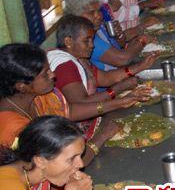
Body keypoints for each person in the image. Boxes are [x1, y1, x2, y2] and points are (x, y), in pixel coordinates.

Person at [0, 44, 129, 164]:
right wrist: (103, 136)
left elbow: (67, 111)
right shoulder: (12, 129)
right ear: (22, 86)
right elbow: (63, 164)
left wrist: (118, 103)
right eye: (45, 74)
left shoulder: (35, 96)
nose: (53, 74)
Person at [47, 15, 154, 140]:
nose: (92, 45)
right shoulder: (64, 65)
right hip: (70, 134)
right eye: (86, 41)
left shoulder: (79, 59)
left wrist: (141, 66)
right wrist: (118, 94)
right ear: (68, 42)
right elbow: (82, 104)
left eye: (92, 40)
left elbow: (106, 78)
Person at [63, 0, 149, 72]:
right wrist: (141, 40)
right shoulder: (86, 39)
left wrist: (119, 36)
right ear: (76, 16)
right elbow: (122, 59)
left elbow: (119, 45)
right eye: (91, 13)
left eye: (99, 11)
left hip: (118, 76)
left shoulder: (99, 27)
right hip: (111, 82)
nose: (99, 16)